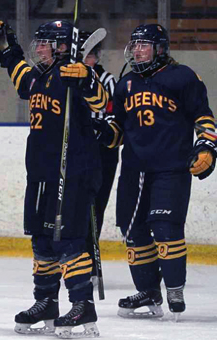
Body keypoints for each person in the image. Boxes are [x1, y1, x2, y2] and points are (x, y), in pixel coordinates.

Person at [0, 20, 109, 338]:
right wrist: (10, 51)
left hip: (73, 171)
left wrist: (85, 78)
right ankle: (46, 303)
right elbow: (20, 77)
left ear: (61, 47)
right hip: (41, 173)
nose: (38, 48)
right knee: (41, 241)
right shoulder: (39, 77)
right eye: (37, 43)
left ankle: (83, 306)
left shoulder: (74, 73)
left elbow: (100, 101)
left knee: (67, 240)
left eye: (44, 43)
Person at [94, 24, 216, 321]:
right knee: (132, 232)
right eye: (134, 45)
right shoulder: (126, 84)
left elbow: (204, 117)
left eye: (143, 45)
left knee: (165, 229)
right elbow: (117, 130)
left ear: (160, 49)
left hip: (171, 168)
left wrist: (207, 147)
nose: (136, 50)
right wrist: (97, 131)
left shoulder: (183, 77)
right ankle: (149, 291)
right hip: (134, 170)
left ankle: (174, 288)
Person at [79, 30, 119, 283]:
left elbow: (114, 119)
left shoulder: (107, 80)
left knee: (95, 208)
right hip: (77, 152)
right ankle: (76, 260)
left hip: (103, 153)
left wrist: (100, 128)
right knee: (75, 208)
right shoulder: (68, 79)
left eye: (91, 55)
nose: (87, 60)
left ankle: (90, 262)